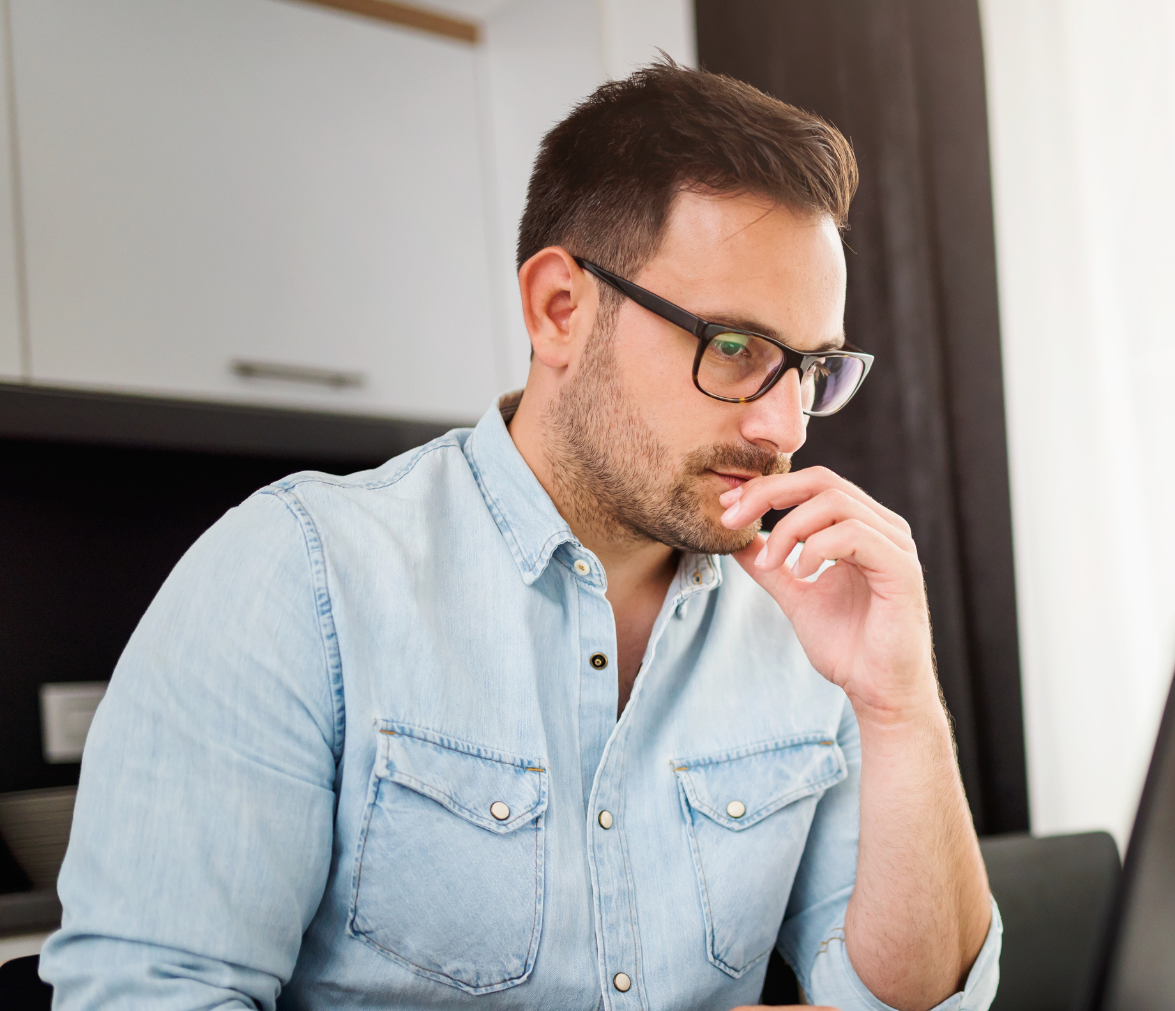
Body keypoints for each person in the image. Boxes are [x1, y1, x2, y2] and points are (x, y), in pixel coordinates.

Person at [39, 61, 1000, 1011]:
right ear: (560, 310)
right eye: (737, 350)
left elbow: (909, 1002)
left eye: (811, 368)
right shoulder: (298, 577)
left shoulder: (804, 622)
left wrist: (900, 702)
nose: (784, 426)